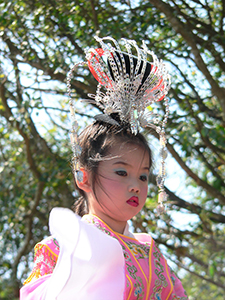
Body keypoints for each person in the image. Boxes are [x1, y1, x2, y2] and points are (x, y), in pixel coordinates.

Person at [20, 36, 188, 300]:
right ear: (82, 176)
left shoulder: (151, 253)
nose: (136, 185)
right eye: (121, 172)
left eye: (143, 176)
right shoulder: (60, 247)